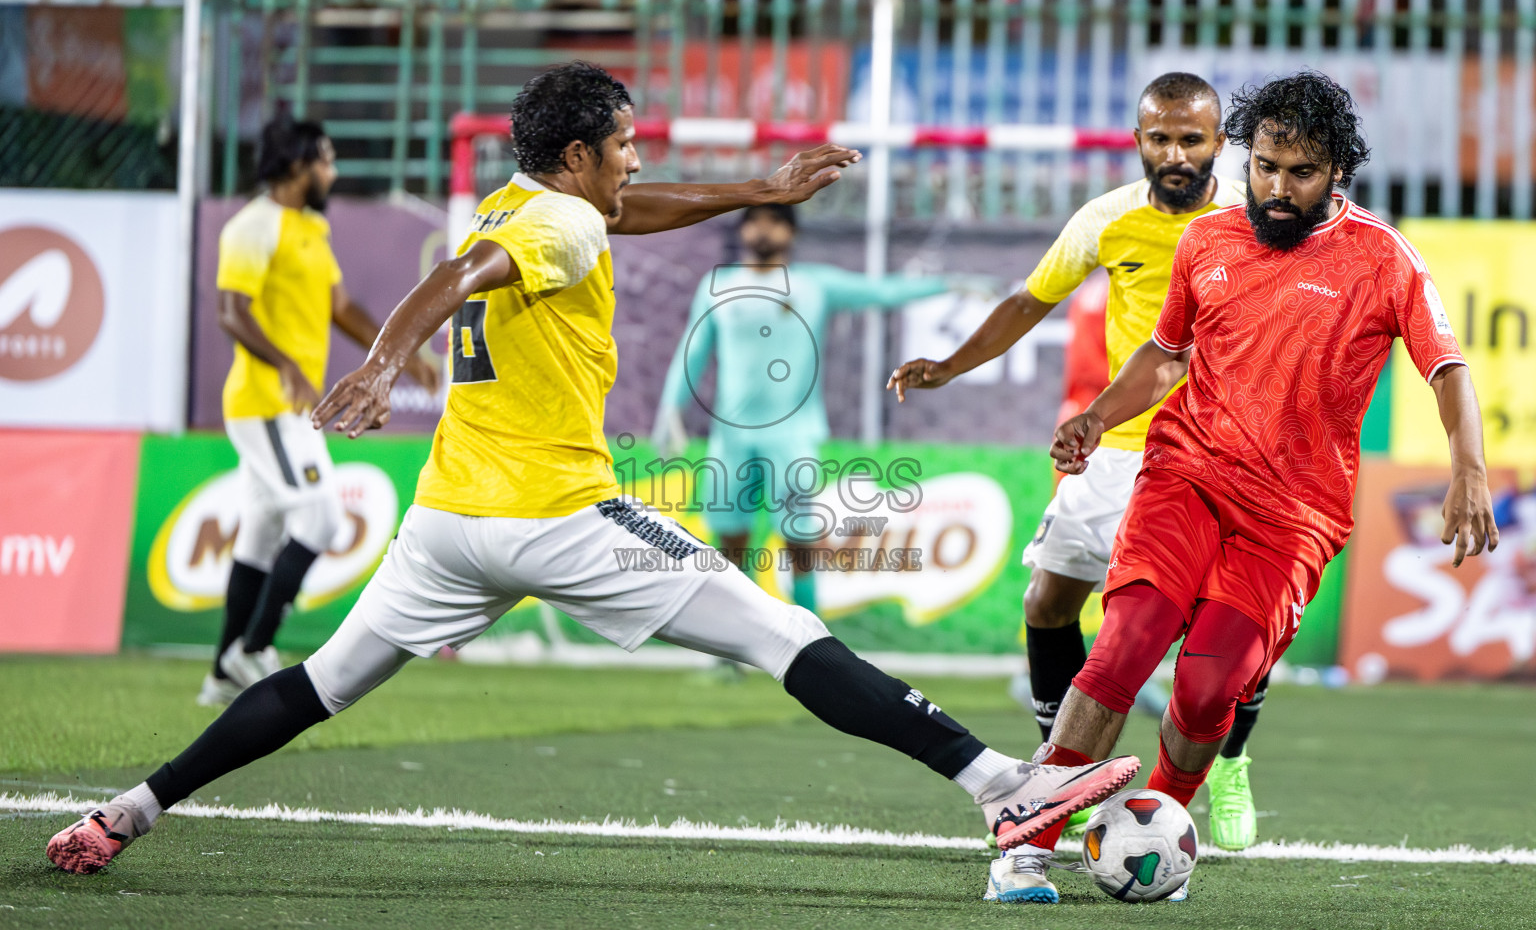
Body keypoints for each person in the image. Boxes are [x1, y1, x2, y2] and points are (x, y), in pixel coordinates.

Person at [47, 62, 1138, 879]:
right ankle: (1004, 787)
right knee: (785, 633)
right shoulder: (557, 222)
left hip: (446, 520)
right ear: (579, 155)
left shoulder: (532, 203)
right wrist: (381, 363)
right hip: (560, 515)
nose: (636, 158)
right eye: (623, 142)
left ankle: (126, 812)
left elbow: (599, 221)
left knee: (315, 684)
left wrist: (757, 184)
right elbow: (472, 271)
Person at [1025, 71, 1498, 901]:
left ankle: (1157, 830)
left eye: (1301, 173)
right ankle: (1031, 831)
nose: (1278, 189)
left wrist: (1469, 469)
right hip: (1186, 478)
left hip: (1292, 518)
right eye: (1267, 167)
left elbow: (1448, 369)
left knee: (1208, 689)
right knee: (1124, 647)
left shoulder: (1384, 259)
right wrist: (1098, 415)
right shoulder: (1207, 241)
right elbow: (1167, 355)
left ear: (1337, 172)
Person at [889, 75, 1263, 866]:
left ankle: (1228, 765)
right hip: (1125, 445)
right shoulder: (1107, 218)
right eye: (1158, 138)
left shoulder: (1250, 218)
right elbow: (1031, 300)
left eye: (1190, 139)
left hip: (1223, 452)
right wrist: (953, 366)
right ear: (1138, 141)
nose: (1174, 154)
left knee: (1227, 638)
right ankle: (1059, 769)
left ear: (1218, 144)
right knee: (1049, 599)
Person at [201, 116, 440, 707]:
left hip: (284, 408)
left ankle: (219, 674)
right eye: (326, 159)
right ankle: (253, 648)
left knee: (260, 537)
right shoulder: (251, 227)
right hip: (267, 407)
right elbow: (232, 311)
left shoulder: (308, 228)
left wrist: (399, 356)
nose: (332, 171)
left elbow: (341, 306)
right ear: (296, 165)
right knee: (322, 520)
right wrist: (283, 363)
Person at [653, 202, 962, 611]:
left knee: (799, 539)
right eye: (755, 221)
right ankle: (729, 648)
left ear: (791, 233)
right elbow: (690, 354)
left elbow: (885, 292)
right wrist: (669, 411)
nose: (763, 230)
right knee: (730, 542)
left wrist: (954, 283)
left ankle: (809, 634)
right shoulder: (719, 285)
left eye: (774, 222)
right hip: (729, 437)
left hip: (793, 435)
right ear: (742, 232)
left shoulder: (814, 284)